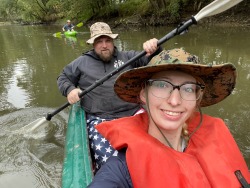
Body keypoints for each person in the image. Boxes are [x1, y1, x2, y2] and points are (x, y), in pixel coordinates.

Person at [87, 48, 250, 187]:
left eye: (187, 88)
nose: (174, 101)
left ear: (197, 98)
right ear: (144, 94)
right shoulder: (121, 170)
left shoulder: (213, 140)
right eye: (162, 85)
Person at [57, 22, 162, 171]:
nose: (104, 45)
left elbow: (154, 62)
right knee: (111, 163)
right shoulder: (81, 63)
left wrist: (155, 49)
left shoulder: (128, 57)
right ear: (93, 44)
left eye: (108, 40)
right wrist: (70, 90)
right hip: (100, 118)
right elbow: (63, 77)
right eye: (99, 41)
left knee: (156, 149)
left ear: (113, 41)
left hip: (134, 113)